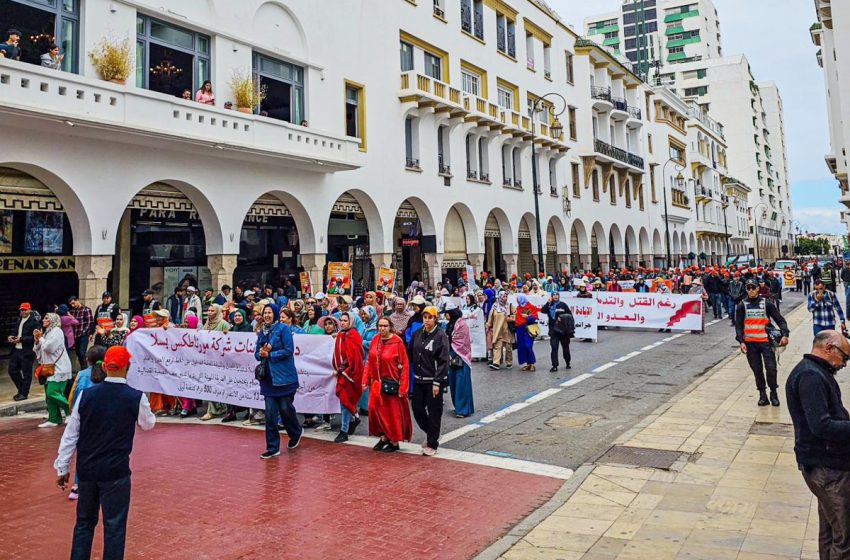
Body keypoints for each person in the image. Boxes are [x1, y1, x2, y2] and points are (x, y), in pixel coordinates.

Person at [54, 345, 155, 560]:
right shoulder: (135, 396)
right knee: (115, 526)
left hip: (88, 471)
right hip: (116, 472)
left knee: (84, 523)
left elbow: (71, 434)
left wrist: (62, 467)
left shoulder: (87, 395)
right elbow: (148, 424)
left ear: (106, 367)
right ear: (127, 367)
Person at [786, 330, 850, 559]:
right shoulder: (810, 376)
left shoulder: (817, 372)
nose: (844, 364)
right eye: (844, 357)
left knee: (831, 530)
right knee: (845, 537)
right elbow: (821, 426)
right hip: (826, 469)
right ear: (829, 348)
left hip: (829, 465)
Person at [255, 304, 303, 459]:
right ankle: (272, 447)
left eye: (270, 312)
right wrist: (261, 354)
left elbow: (289, 350)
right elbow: (257, 353)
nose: (267, 315)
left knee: (285, 409)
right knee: (270, 414)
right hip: (268, 379)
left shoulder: (283, 329)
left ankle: (295, 432)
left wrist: (271, 355)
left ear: (275, 314)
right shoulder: (262, 331)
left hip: (285, 378)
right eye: (265, 312)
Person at [735, 279, 789, 407]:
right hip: (750, 344)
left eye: (753, 287)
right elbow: (738, 326)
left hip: (766, 343)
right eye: (748, 288)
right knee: (757, 370)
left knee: (771, 368)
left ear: (758, 288)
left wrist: (785, 334)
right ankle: (762, 395)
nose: (751, 290)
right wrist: (741, 341)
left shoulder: (767, 304)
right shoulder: (742, 305)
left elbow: (780, 320)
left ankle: (773, 393)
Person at [66, 345, 107, 501]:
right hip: (105, 420)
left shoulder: (82, 375)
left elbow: (72, 398)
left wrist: (73, 413)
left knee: (83, 452)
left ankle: (77, 485)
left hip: (85, 419)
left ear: (88, 360)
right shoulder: (109, 375)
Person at [365, 316, 412, 452]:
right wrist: (365, 379)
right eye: (380, 326)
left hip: (392, 384)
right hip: (376, 384)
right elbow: (369, 361)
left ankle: (394, 440)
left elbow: (404, 365)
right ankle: (384, 436)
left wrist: (403, 387)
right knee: (376, 412)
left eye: (385, 326)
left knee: (392, 415)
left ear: (390, 326)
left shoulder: (397, 342)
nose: (382, 328)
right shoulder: (375, 340)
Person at [409, 306, 449, 456]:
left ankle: (432, 442)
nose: (427, 320)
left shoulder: (441, 336)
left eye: (430, 317)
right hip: (418, 379)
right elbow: (410, 351)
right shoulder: (418, 333)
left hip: (433, 381)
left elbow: (443, 361)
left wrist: (438, 382)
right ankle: (433, 433)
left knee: (434, 412)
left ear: (435, 318)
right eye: (425, 317)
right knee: (417, 409)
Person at [34, 313, 72, 428]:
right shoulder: (47, 332)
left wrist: (40, 338)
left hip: (59, 368)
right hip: (48, 369)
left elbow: (49, 348)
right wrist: (37, 341)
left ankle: (71, 412)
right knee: (48, 395)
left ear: (53, 320)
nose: (44, 320)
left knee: (52, 392)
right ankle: (54, 418)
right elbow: (39, 351)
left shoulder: (57, 331)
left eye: (46, 318)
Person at [332, 311, 364, 443]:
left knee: (345, 400)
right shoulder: (341, 335)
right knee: (345, 400)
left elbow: (353, 357)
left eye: (346, 320)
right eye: (342, 320)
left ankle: (344, 431)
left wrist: (341, 369)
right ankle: (353, 418)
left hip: (351, 373)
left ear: (351, 321)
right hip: (343, 372)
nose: (343, 323)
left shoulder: (354, 336)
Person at [200, 304, 234, 422]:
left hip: (220, 360)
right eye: (208, 310)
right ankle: (211, 410)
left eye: (212, 310)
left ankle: (220, 407)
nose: (209, 312)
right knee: (209, 383)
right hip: (208, 359)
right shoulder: (207, 324)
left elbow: (229, 340)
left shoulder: (223, 323)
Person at [444, 303, 474, 418]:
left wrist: (452, 352)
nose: (445, 316)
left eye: (446, 313)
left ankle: (463, 409)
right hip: (451, 356)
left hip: (461, 356)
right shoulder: (449, 325)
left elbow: (461, 342)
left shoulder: (462, 325)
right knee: (453, 383)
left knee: (462, 384)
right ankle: (457, 407)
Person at [7, 302, 40, 401]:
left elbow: (35, 338)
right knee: (12, 370)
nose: (23, 311)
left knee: (27, 373)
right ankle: (21, 389)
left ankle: (24, 393)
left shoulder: (34, 322)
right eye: (21, 310)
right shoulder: (19, 320)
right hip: (16, 350)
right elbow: (15, 332)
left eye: (25, 310)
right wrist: (11, 336)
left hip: (27, 351)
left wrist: (21, 339)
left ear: (29, 310)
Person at [542, 293, 573, 371]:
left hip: (563, 331)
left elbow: (570, 316)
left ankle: (567, 362)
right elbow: (542, 310)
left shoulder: (563, 305)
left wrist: (562, 318)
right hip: (554, 331)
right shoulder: (549, 305)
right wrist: (548, 303)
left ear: (559, 296)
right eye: (553, 295)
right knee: (554, 348)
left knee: (565, 348)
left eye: (557, 295)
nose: (555, 296)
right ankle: (555, 365)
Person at [487, 291, 514, 370]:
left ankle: (509, 362)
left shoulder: (510, 306)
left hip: (507, 330)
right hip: (497, 330)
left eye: (506, 296)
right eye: (503, 296)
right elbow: (490, 317)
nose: (505, 298)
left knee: (508, 347)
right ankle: (496, 363)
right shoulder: (495, 306)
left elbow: (516, 314)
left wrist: (511, 318)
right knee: (497, 346)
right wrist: (488, 326)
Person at [68, 297, 94, 371]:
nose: (73, 305)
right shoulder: (72, 311)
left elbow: (89, 322)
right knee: (78, 354)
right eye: (71, 304)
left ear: (77, 301)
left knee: (82, 353)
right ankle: (83, 369)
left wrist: (85, 332)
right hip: (75, 335)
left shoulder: (86, 309)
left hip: (83, 335)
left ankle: (85, 370)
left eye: (73, 303)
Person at [514, 294, 539, 372]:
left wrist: (527, 317)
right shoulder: (518, 308)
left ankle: (532, 363)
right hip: (520, 329)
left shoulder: (530, 306)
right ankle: (527, 364)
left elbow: (535, 317)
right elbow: (517, 318)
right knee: (522, 347)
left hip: (528, 328)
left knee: (528, 346)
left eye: (518, 299)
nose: (517, 301)